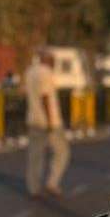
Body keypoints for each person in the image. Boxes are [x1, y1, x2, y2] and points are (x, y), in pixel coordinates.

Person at [25, 48, 70, 199]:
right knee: (62, 152)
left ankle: (33, 188)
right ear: (48, 60)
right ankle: (52, 182)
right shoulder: (46, 73)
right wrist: (50, 120)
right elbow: (45, 96)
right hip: (49, 122)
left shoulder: (30, 72)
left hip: (33, 119)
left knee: (35, 155)